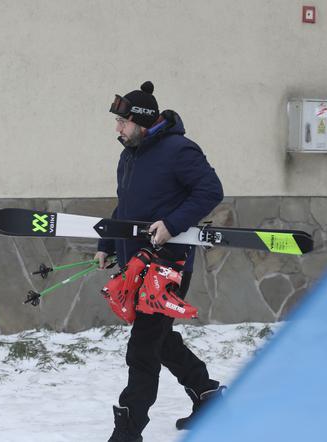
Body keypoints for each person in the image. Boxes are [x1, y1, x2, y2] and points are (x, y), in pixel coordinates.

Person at [94, 81, 226, 442]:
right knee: (158, 339)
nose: (117, 130)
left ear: (142, 121)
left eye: (122, 123)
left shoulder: (179, 150)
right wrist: (107, 242)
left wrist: (172, 223)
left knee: (142, 348)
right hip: (134, 263)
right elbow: (125, 206)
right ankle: (207, 393)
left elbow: (210, 191)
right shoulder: (130, 155)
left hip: (167, 266)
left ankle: (128, 430)